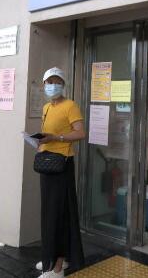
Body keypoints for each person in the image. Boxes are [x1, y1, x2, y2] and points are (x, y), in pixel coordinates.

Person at [35, 67, 85, 278]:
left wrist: (57, 138)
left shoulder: (70, 105)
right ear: (44, 84)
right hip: (47, 163)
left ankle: (58, 264)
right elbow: (48, 134)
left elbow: (80, 133)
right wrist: (39, 141)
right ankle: (50, 256)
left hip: (62, 164)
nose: (52, 85)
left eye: (56, 82)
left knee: (60, 212)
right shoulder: (46, 107)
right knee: (48, 212)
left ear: (63, 85)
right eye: (49, 82)